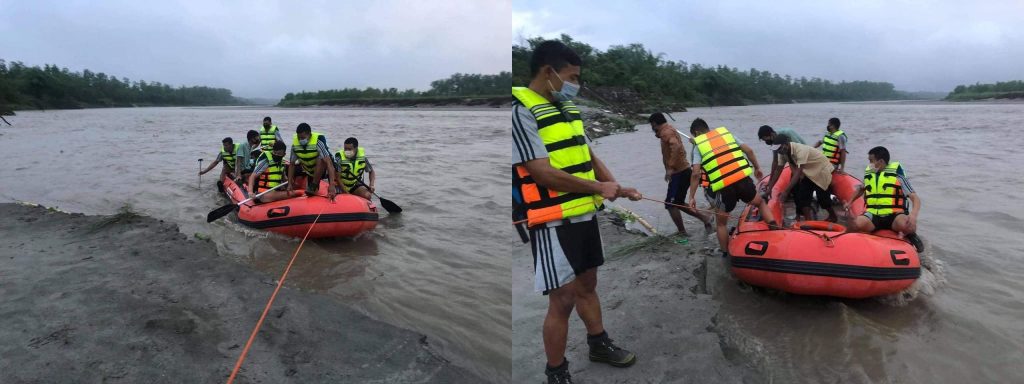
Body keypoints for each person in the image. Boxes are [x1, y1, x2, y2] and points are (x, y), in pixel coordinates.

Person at [512, 40, 642, 384]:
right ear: (548, 72)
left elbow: (586, 154)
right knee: (563, 299)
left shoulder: (565, 108)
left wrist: (616, 186)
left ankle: (598, 343)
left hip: (583, 213)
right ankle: (556, 372)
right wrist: (600, 188)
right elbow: (541, 172)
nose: (576, 84)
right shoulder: (520, 112)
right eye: (572, 76)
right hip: (552, 220)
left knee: (588, 283)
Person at [685, 118, 777, 257]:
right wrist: (757, 167)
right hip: (742, 180)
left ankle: (725, 254)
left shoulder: (698, 146)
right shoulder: (726, 135)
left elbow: (696, 173)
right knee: (760, 202)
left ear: (697, 132)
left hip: (724, 188)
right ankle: (775, 229)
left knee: (721, 224)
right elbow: (749, 150)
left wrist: (691, 197)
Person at [843, 146, 923, 251]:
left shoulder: (898, 176)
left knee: (909, 226)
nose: (869, 164)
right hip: (873, 215)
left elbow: (915, 198)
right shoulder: (869, 175)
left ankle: (912, 236)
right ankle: (849, 248)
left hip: (894, 215)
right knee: (854, 225)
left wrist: (913, 215)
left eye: (871, 161)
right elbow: (861, 189)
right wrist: (849, 202)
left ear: (880, 161)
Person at [649, 112, 712, 235]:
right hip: (683, 171)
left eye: (652, 125)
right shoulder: (669, 129)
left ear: (655, 123)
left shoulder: (666, 132)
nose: (652, 128)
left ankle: (682, 232)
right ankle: (705, 218)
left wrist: (670, 168)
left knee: (670, 204)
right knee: (678, 202)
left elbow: (676, 146)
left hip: (679, 172)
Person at [764, 135, 838, 222]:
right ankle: (808, 220)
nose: (778, 151)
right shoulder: (783, 154)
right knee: (802, 197)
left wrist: (786, 192)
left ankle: (833, 216)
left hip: (820, 170)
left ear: (786, 144)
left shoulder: (800, 150)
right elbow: (778, 170)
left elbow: (798, 173)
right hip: (808, 172)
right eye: (776, 150)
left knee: (822, 198)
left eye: (779, 148)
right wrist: (770, 188)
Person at [287, 123, 337, 199]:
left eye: (303, 137)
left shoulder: (318, 142)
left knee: (321, 159)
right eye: (299, 137)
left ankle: (314, 184)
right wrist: (289, 183)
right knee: (311, 195)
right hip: (310, 172)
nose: (300, 140)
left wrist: (332, 185)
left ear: (309, 135)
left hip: (323, 170)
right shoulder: (295, 146)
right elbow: (292, 164)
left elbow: (329, 163)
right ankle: (312, 187)